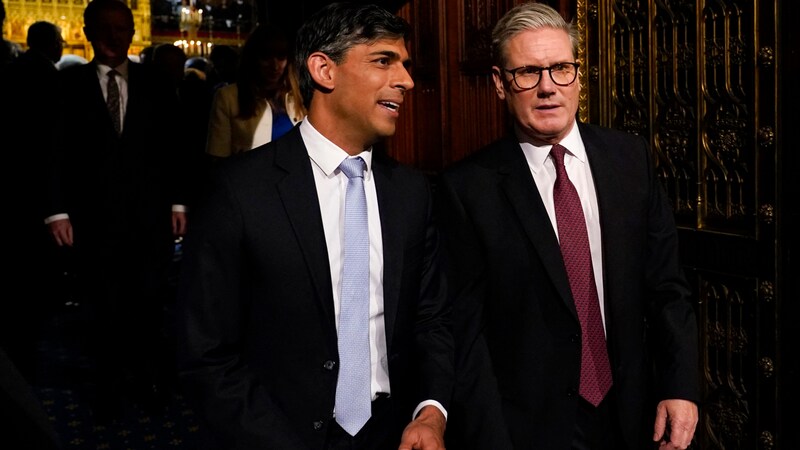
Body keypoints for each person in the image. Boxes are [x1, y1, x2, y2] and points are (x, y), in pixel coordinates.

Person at [176, 3, 453, 449]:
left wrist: (431, 412)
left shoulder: (411, 193)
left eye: (404, 65)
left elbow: (431, 319)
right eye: (384, 61)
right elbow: (206, 356)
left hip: (393, 434)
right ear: (324, 69)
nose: (405, 81)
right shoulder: (240, 192)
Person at [437, 3, 699, 450]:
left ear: (579, 75)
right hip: (529, 427)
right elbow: (467, 332)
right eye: (528, 73)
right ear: (500, 84)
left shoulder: (629, 159)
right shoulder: (467, 189)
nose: (547, 88)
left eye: (561, 68)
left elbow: (666, 287)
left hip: (633, 412)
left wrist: (680, 385)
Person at [45, 0, 187, 422]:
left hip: (151, 222)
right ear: (88, 32)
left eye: (120, 28)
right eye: (103, 28)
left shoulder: (156, 83)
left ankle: (147, 382)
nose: (112, 36)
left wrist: (179, 201)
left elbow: (174, 148)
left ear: (131, 33)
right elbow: (51, 151)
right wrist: (56, 211)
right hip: (92, 223)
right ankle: (108, 390)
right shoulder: (67, 85)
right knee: (102, 311)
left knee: (148, 307)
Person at [0, 20, 65, 380]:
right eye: (59, 40)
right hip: (38, 186)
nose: (62, 45)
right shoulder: (48, 78)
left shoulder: (11, 72)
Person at [205, 23, 306, 159]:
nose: (275, 66)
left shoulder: (298, 94)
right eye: (266, 57)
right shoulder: (228, 97)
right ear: (252, 58)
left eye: (281, 57)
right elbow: (217, 156)